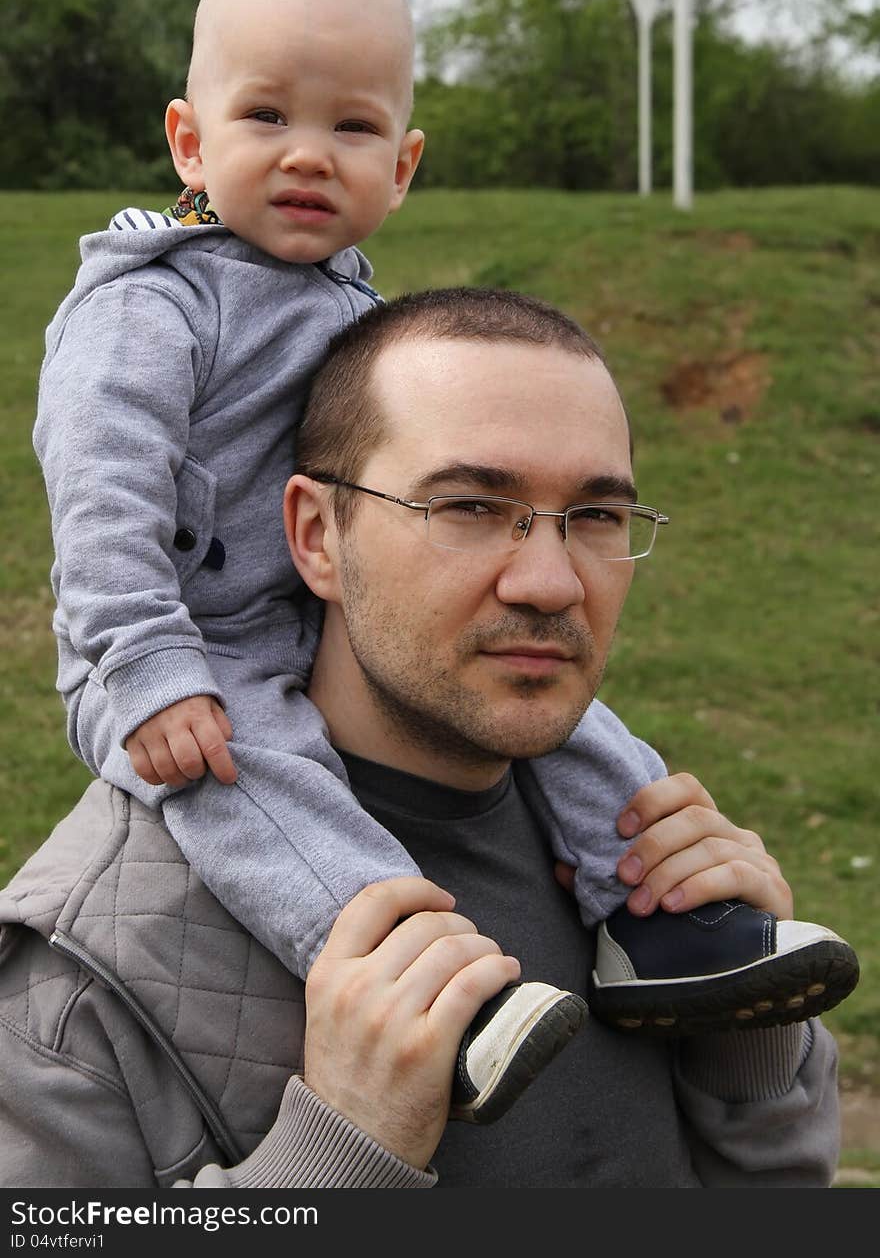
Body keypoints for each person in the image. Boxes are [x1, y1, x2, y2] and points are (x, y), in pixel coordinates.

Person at [30, 0, 856, 1132]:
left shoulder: (354, 308)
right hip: (180, 656)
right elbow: (101, 494)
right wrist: (144, 662)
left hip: (313, 618)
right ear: (188, 141)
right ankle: (419, 980)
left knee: (574, 722)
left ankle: (660, 926)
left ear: (404, 164)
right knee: (255, 783)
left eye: (354, 129)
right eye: (265, 114)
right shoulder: (150, 304)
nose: (310, 152)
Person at [2, 287, 847, 1187]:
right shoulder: (79, 976)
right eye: (472, 507)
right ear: (317, 535)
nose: (551, 582)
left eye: (596, 517)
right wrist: (338, 1157)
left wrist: (748, 1048)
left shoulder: (637, 868)